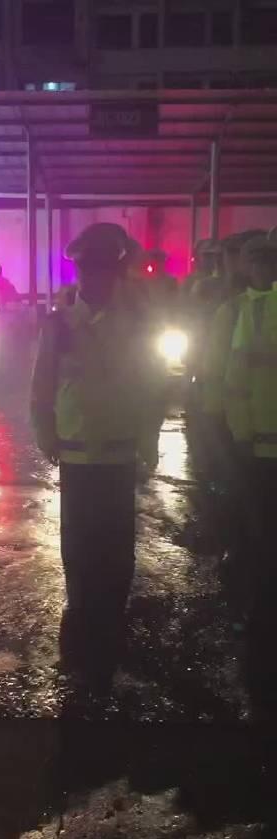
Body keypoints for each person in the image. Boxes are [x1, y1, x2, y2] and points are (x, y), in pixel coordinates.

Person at [30, 222, 164, 682]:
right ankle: (83, 625)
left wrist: (150, 440)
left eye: (105, 271)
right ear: (80, 274)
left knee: (117, 547)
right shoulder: (59, 324)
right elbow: (42, 386)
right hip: (77, 454)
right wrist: (46, 434)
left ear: (115, 274)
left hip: (120, 451)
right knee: (80, 545)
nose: (96, 279)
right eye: (89, 271)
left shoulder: (138, 323)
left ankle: (110, 625)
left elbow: (151, 386)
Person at [220, 236, 277, 712]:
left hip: (259, 440)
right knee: (259, 533)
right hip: (259, 442)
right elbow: (234, 379)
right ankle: (258, 611)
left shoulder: (254, 310)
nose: (262, 267)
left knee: (262, 534)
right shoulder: (248, 310)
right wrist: (238, 433)